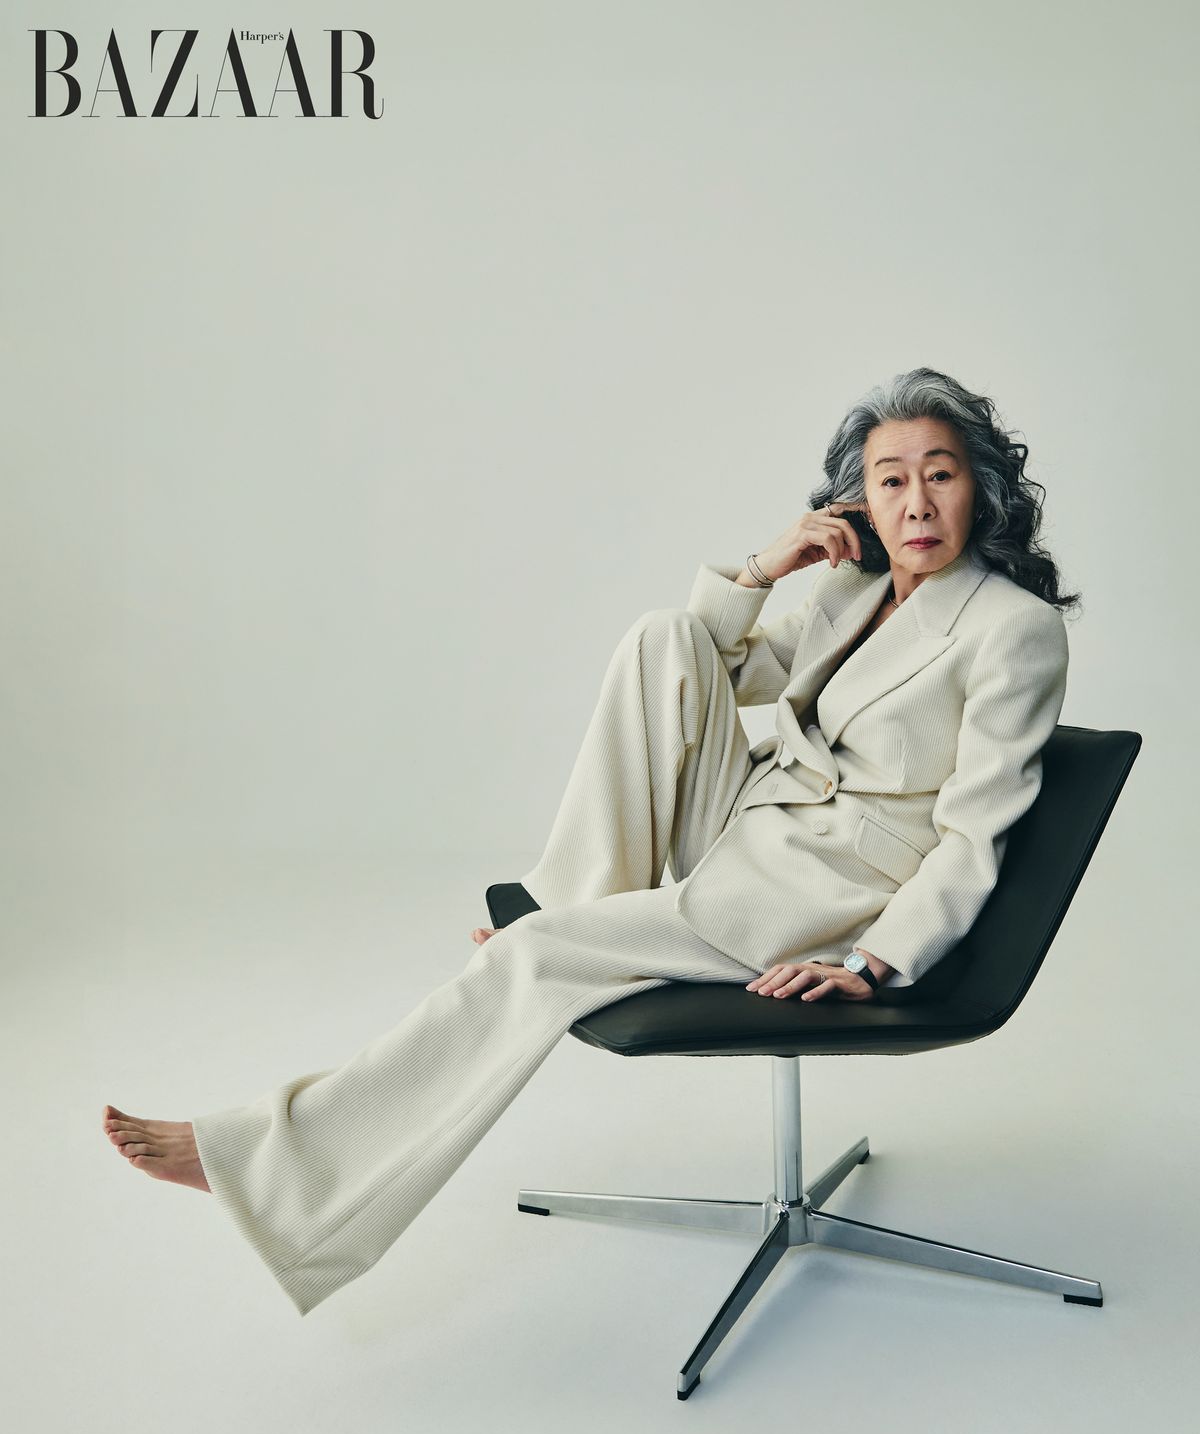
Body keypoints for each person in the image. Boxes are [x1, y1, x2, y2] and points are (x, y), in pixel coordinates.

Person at [101, 366, 1079, 1317]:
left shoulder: (1012, 630)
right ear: (858, 500)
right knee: (664, 638)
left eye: (940, 474)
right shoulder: (853, 589)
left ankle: (263, 1168)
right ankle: (575, 907)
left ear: (980, 488)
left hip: (820, 891)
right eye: (891, 480)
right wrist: (761, 569)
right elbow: (721, 666)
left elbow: (974, 834)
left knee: (528, 961)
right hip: (751, 823)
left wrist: (871, 961)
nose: (917, 503)